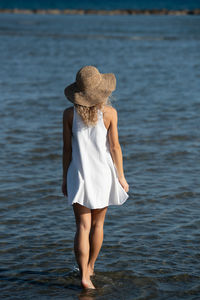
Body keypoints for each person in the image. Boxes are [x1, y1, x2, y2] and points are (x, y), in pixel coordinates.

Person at [62, 66, 129, 289]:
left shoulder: (69, 114)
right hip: (103, 174)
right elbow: (115, 147)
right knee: (98, 225)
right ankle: (90, 266)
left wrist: (64, 179)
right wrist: (121, 176)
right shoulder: (110, 113)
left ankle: (83, 276)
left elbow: (67, 150)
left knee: (82, 226)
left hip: (79, 175)